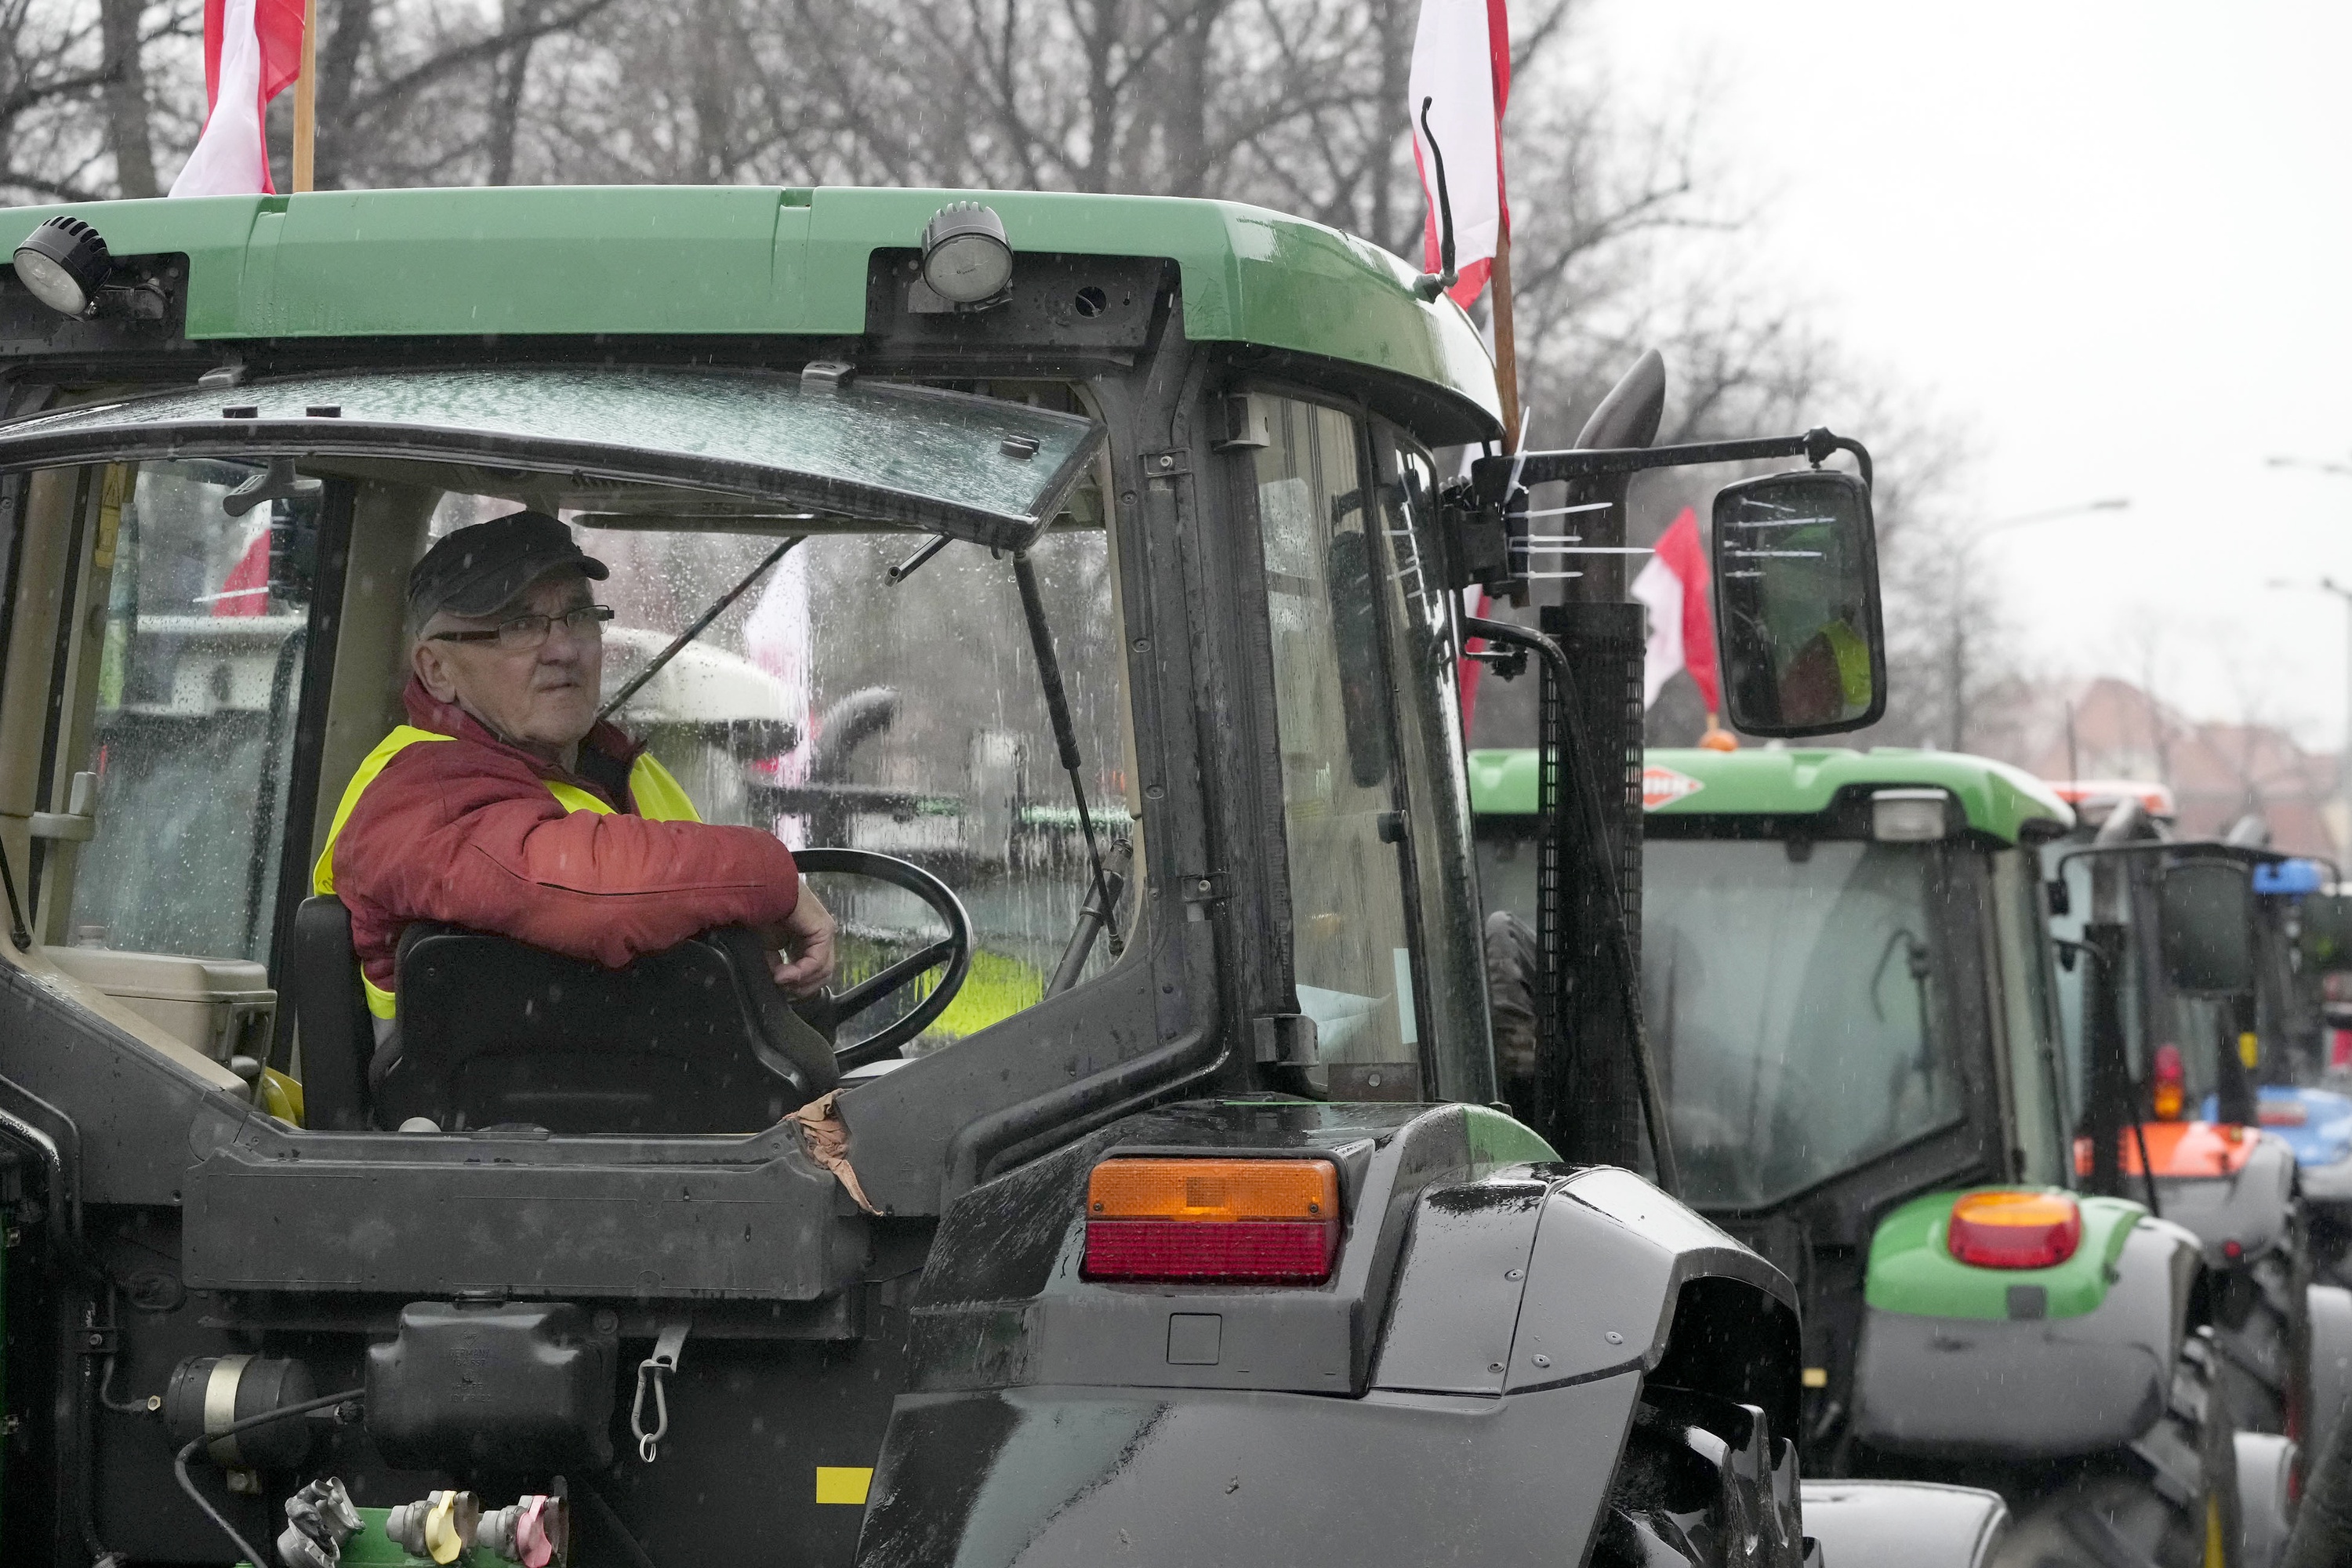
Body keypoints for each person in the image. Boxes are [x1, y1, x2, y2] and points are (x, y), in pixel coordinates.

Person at [314, 510, 834, 1079]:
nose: (563, 648)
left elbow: (695, 912)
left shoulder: (626, 772)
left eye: (578, 615)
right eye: (518, 624)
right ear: (437, 671)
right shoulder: (416, 788)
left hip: (665, 1114)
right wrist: (771, 878)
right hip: (480, 1148)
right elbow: (588, 896)